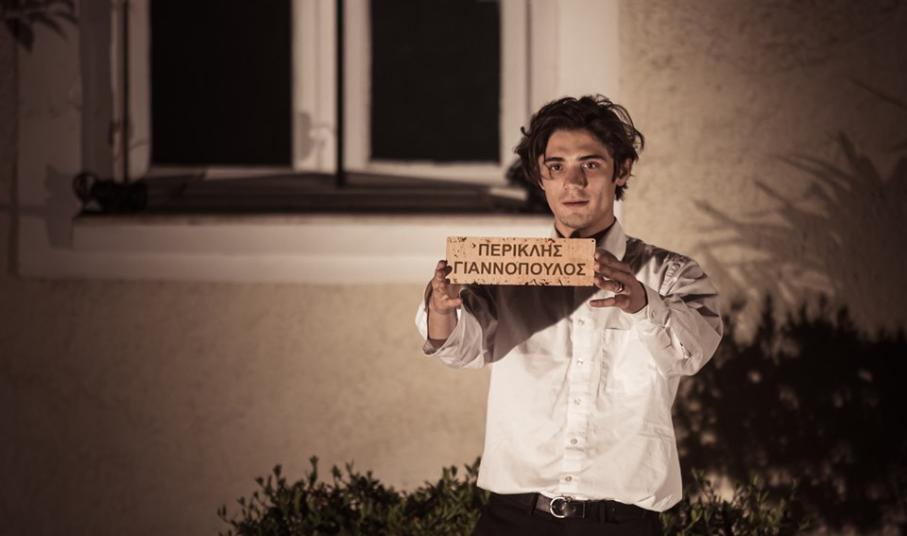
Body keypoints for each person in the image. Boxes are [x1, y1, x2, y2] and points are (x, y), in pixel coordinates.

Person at [415, 95, 723, 535]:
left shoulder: (671, 273)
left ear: (622, 170)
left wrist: (642, 301)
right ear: (540, 177)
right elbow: (457, 348)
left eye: (590, 164)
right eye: (556, 166)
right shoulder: (505, 272)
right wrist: (440, 307)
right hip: (513, 519)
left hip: (621, 524)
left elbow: (693, 353)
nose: (573, 182)